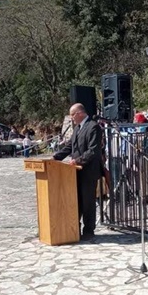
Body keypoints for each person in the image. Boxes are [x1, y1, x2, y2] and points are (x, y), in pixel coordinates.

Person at [53, 103, 102, 240]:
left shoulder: (93, 127)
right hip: (75, 172)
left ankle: (88, 231)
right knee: (76, 201)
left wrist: (77, 161)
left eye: (72, 115)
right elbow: (70, 147)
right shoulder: (77, 128)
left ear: (80, 113)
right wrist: (55, 158)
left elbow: (93, 150)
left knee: (87, 202)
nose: (72, 119)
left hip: (88, 171)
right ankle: (74, 228)